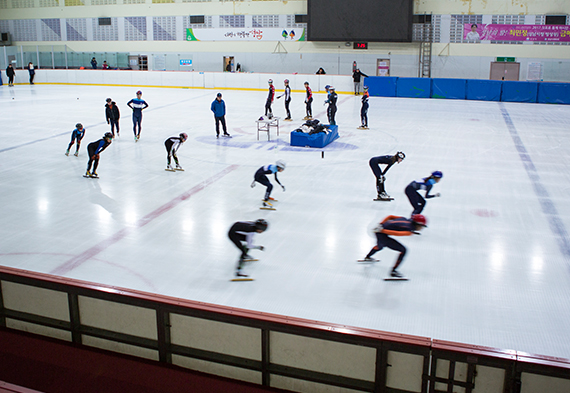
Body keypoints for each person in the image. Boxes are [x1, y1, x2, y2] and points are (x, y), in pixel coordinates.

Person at [362, 214, 427, 278]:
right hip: (381, 233)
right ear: (417, 224)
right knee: (403, 250)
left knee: (380, 246)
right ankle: (393, 271)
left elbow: (390, 216)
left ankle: (368, 257)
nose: (421, 228)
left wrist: (380, 224)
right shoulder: (408, 231)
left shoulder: (404, 219)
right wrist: (382, 230)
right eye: (422, 226)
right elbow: (396, 233)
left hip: (380, 231)